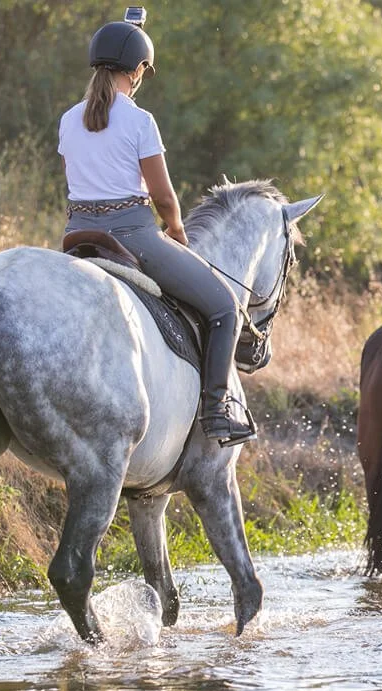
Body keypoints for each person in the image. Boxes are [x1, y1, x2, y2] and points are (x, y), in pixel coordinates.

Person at [58, 12, 255, 447]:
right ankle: (216, 409)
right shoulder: (139, 121)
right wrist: (177, 231)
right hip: (132, 237)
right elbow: (164, 199)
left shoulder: (68, 120)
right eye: (144, 68)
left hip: (75, 235)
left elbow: (77, 180)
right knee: (224, 307)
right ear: (137, 70)